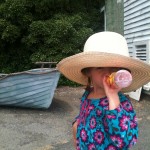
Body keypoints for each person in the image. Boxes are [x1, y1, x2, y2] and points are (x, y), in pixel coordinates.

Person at [57, 32, 150, 149]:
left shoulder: (121, 102)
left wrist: (112, 96)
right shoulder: (88, 94)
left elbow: (125, 140)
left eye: (114, 68)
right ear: (88, 72)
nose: (108, 72)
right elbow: (85, 115)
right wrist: (76, 125)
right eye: (100, 67)